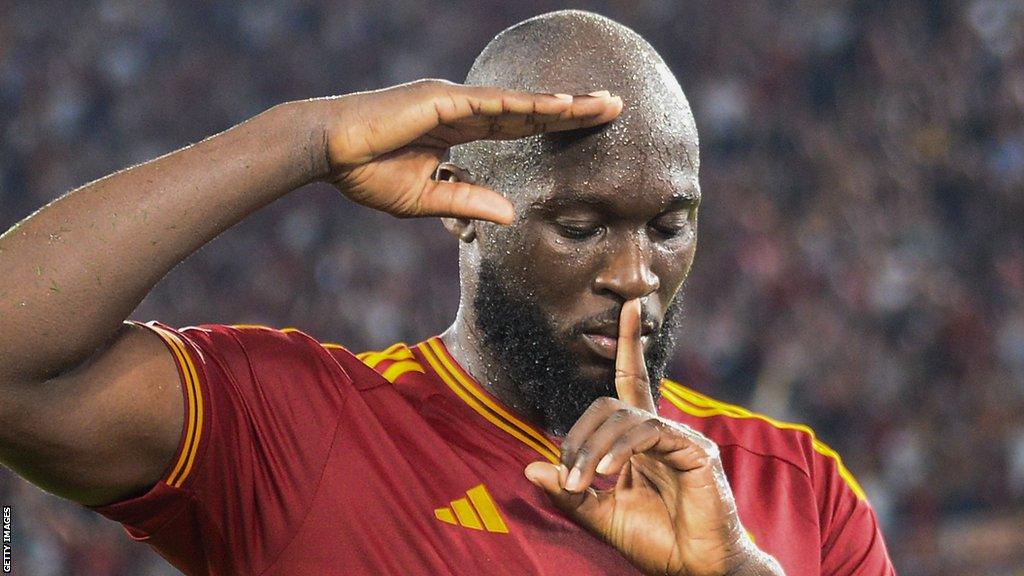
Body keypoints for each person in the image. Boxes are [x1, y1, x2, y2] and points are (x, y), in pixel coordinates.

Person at [0, 10, 893, 575]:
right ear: (461, 208)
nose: (634, 275)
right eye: (579, 228)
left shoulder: (796, 491)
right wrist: (305, 139)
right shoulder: (303, 431)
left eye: (669, 225)